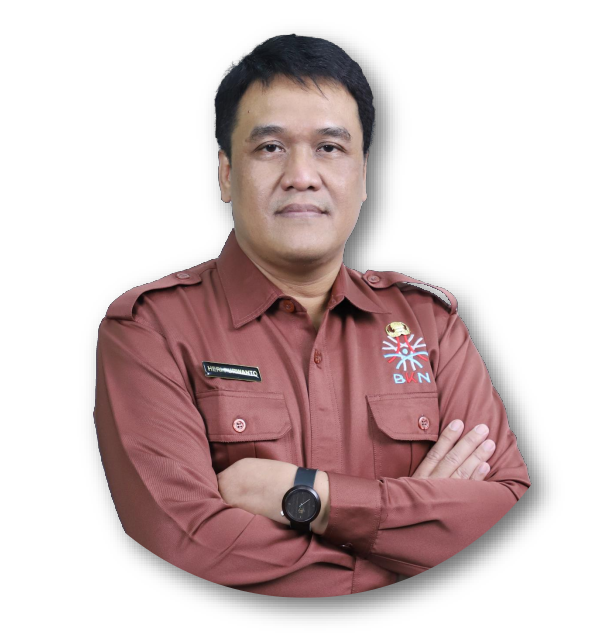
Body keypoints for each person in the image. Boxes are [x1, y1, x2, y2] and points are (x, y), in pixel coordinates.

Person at [93, 34, 531, 597]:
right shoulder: (149, 328)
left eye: (329, 147)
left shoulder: (431, 323)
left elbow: (504, 515)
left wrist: (308, 494)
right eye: (270, 147)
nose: (301, 175)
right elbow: (187, 543)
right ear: (225, 173)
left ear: (364, 174)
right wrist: (414, 556)